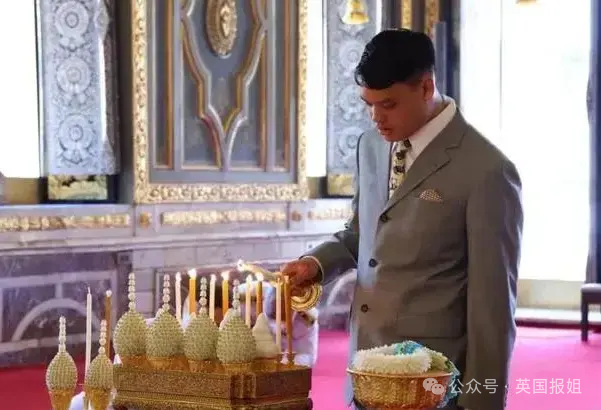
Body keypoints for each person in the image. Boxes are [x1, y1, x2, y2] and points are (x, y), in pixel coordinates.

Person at [282, 29, 523, 410]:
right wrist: (316, 264)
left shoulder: (487, 170)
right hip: (365, 374)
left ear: (426, 87)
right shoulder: (370, 146)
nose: (376, 118)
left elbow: (492, 312)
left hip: (435, 385)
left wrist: (482, 403)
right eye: (368, 105)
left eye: (388, 104)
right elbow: (364, 233)